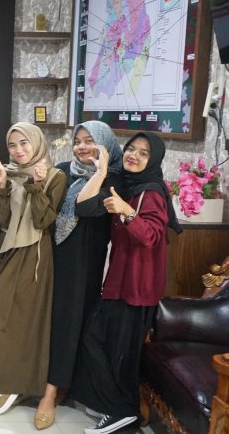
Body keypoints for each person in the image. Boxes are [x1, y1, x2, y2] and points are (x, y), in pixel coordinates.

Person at [70, 132, 182, 434]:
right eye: (131, 149)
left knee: (118, 352)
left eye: (144, 153)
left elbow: (152, 236)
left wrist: (127, 211)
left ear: (154, 160)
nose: (134, 155)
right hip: (119, 281)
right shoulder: (127, 185)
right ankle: (115, 403)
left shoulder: (152, 192)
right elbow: (84, 207)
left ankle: (122, 412)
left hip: (137, 287)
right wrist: (102, 172)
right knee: (97, 341)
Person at [0, 122, 66, 418]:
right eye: (12, 145)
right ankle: (4, 379)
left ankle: (15, 383)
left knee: (22, 321)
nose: (18, 150)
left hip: (34, 255)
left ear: (37, 143)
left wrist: (36, 184)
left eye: (24, 143)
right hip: (9, 250)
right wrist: (3, 188)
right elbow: (4, 220)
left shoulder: (54, 176)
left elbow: (43, 220)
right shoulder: (10, 173)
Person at [35, 121, 123, 429]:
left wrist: (99, 173)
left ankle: (50, 393)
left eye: (89, 141)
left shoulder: (114, 179)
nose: (82, 147)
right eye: (78, 140)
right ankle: (49, 381)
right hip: (52, 256)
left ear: (105, 144)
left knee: (69, 324)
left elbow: (85, 208)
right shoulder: (63, 170)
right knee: (47, 320)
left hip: (83, 264)